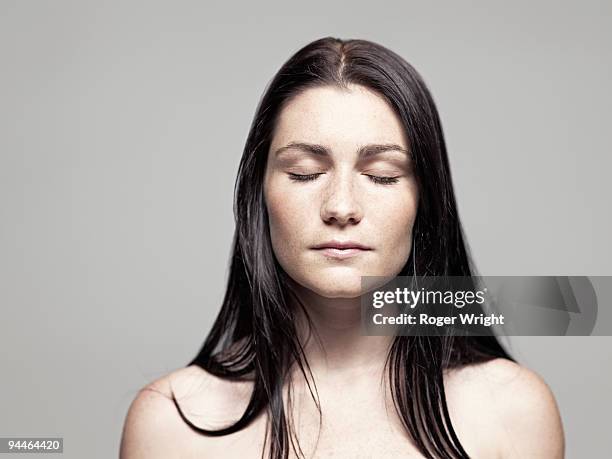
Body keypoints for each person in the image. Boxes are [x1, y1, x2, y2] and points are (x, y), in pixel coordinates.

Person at [119, 37, 564, 458]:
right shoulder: (171, 423)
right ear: (259, 195)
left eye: (383, 175)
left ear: (425, 202)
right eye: (304, 172)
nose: (342, 207)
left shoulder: (512, 412)